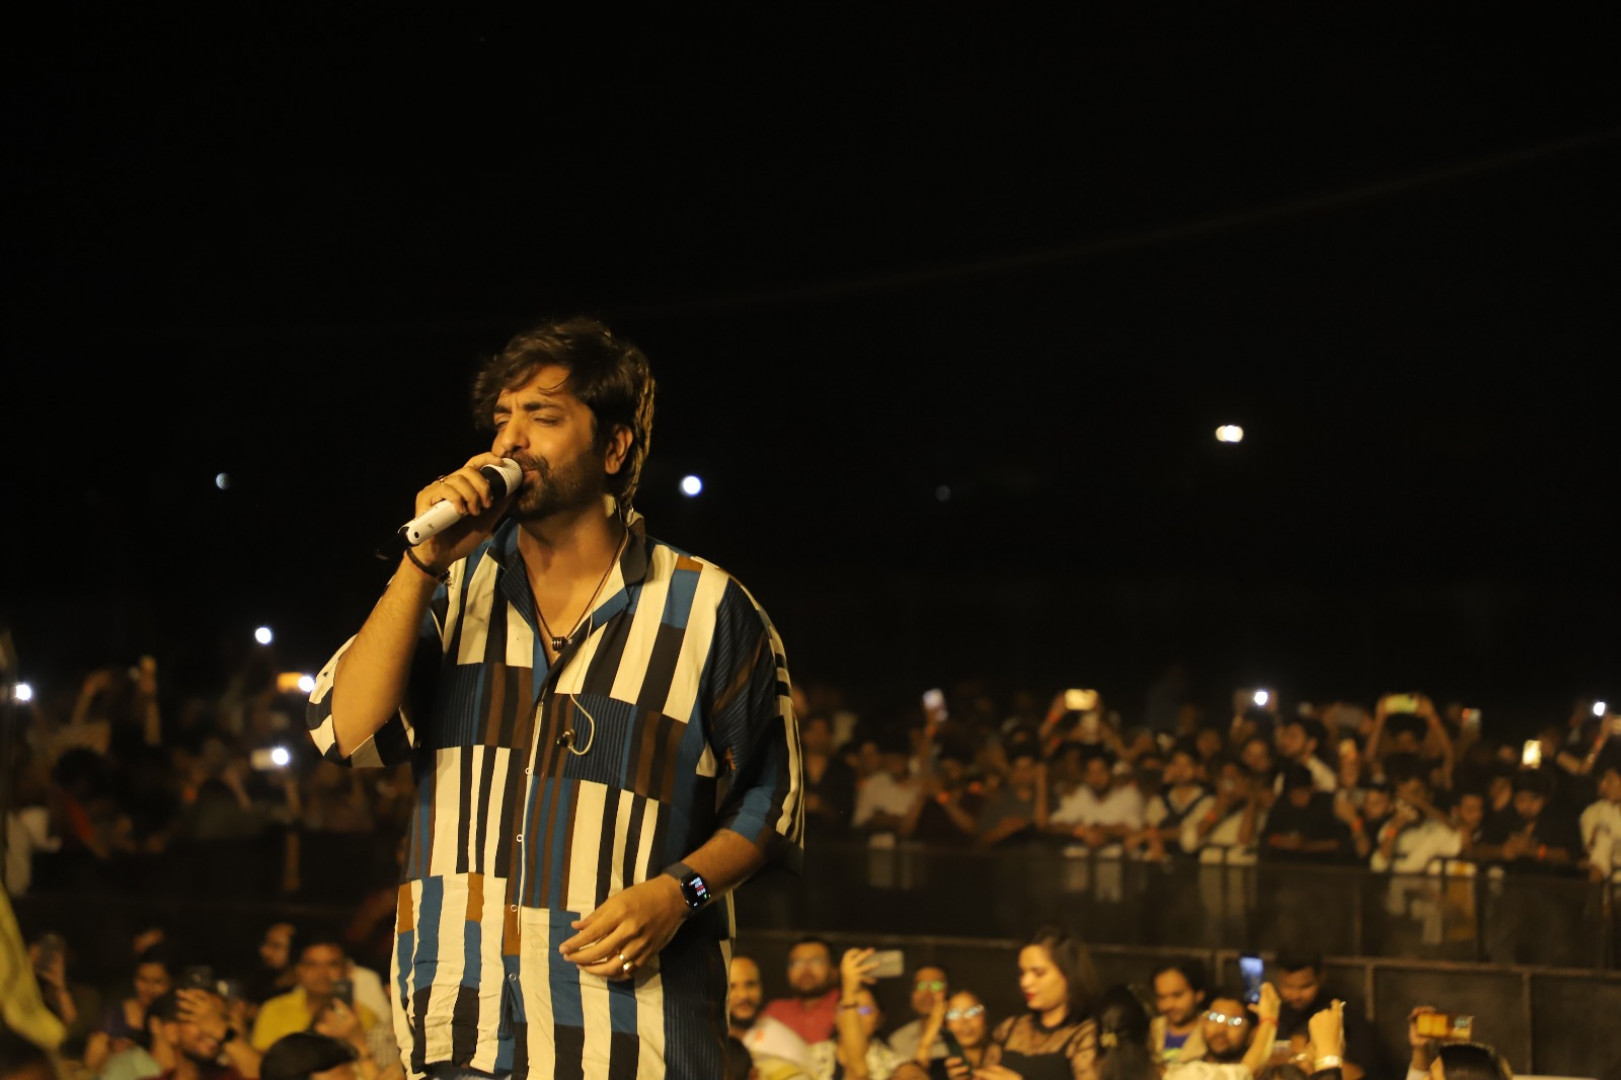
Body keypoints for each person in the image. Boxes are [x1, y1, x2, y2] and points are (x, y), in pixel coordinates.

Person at [305, 317, 804, 1078]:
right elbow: (345, 733)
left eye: (542, 415)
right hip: (459, 1029)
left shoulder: (707, 608)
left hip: (629, 1038)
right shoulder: (450, 592)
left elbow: (773, 809)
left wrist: (681, 893)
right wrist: (420, 565)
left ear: (615, 447)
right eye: (502, 417)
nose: (510, 439)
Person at [951, 926, 1098, 1080]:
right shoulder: (1009, 1028)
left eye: (1038, 973)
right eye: (1023, 973)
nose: (1025, 982)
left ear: (1068, 976)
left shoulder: (1087, 1034)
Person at [250, 938, 379, 1053]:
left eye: (332, 964)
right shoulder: (274, 1009)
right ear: (298, 969)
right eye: (312, 964)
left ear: (347, 970)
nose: (322, 973)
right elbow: (263, 1062)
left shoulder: (364, 1016)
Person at [1272, 954, 1380, 1079]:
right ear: (1278, 979)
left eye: (1305, 986)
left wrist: (1322, 1057)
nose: (1296, 995)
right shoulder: (1270, 1012)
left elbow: (1365, 1073)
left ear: (1321, 978)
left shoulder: (1343, 1016)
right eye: (1288, 986)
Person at [84, 946, 173, 1073]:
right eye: (142, 979)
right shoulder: (114, 1013)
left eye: (157, 982)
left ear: (170, 983)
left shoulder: (173, 1020)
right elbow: (91, 1064)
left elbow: (168, 1070)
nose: (148, 988)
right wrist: (112, 1053)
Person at [1164, 985, 1279, 1077]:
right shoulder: (1186, 1073)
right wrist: (1269, 1020)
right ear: (1203, 1022)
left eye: (1235, 1021)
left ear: (1253, 1033)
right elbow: (1243, 1074)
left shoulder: (1271, 1075)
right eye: (1214, 1017)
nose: (1221, 1029)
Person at [729, 956, 810, 1069]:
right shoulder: (708, 1043)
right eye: (732, 987)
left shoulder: (784, 1047)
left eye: (750, 985)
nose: (743, 995)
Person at [762, 939, 841, 1044]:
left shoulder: (849, 1006)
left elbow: (862, 1011)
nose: (805, 970)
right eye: (797, 963)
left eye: (816, 961)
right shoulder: (776, 1010)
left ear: (834, 970)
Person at [886, 966, 949, 1063]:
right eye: (920, 986)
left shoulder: (962, 1034)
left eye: (936, 985)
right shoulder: (899, 1040)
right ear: (911, 994)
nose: (927, 993)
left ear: (948, 991)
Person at [1148, 960, 1207, 1064]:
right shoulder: (1149, 1031)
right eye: (1161, 997)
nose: (1168, 1005)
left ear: (1199, 994)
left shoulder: (1213, 1031)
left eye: (1177, 995)